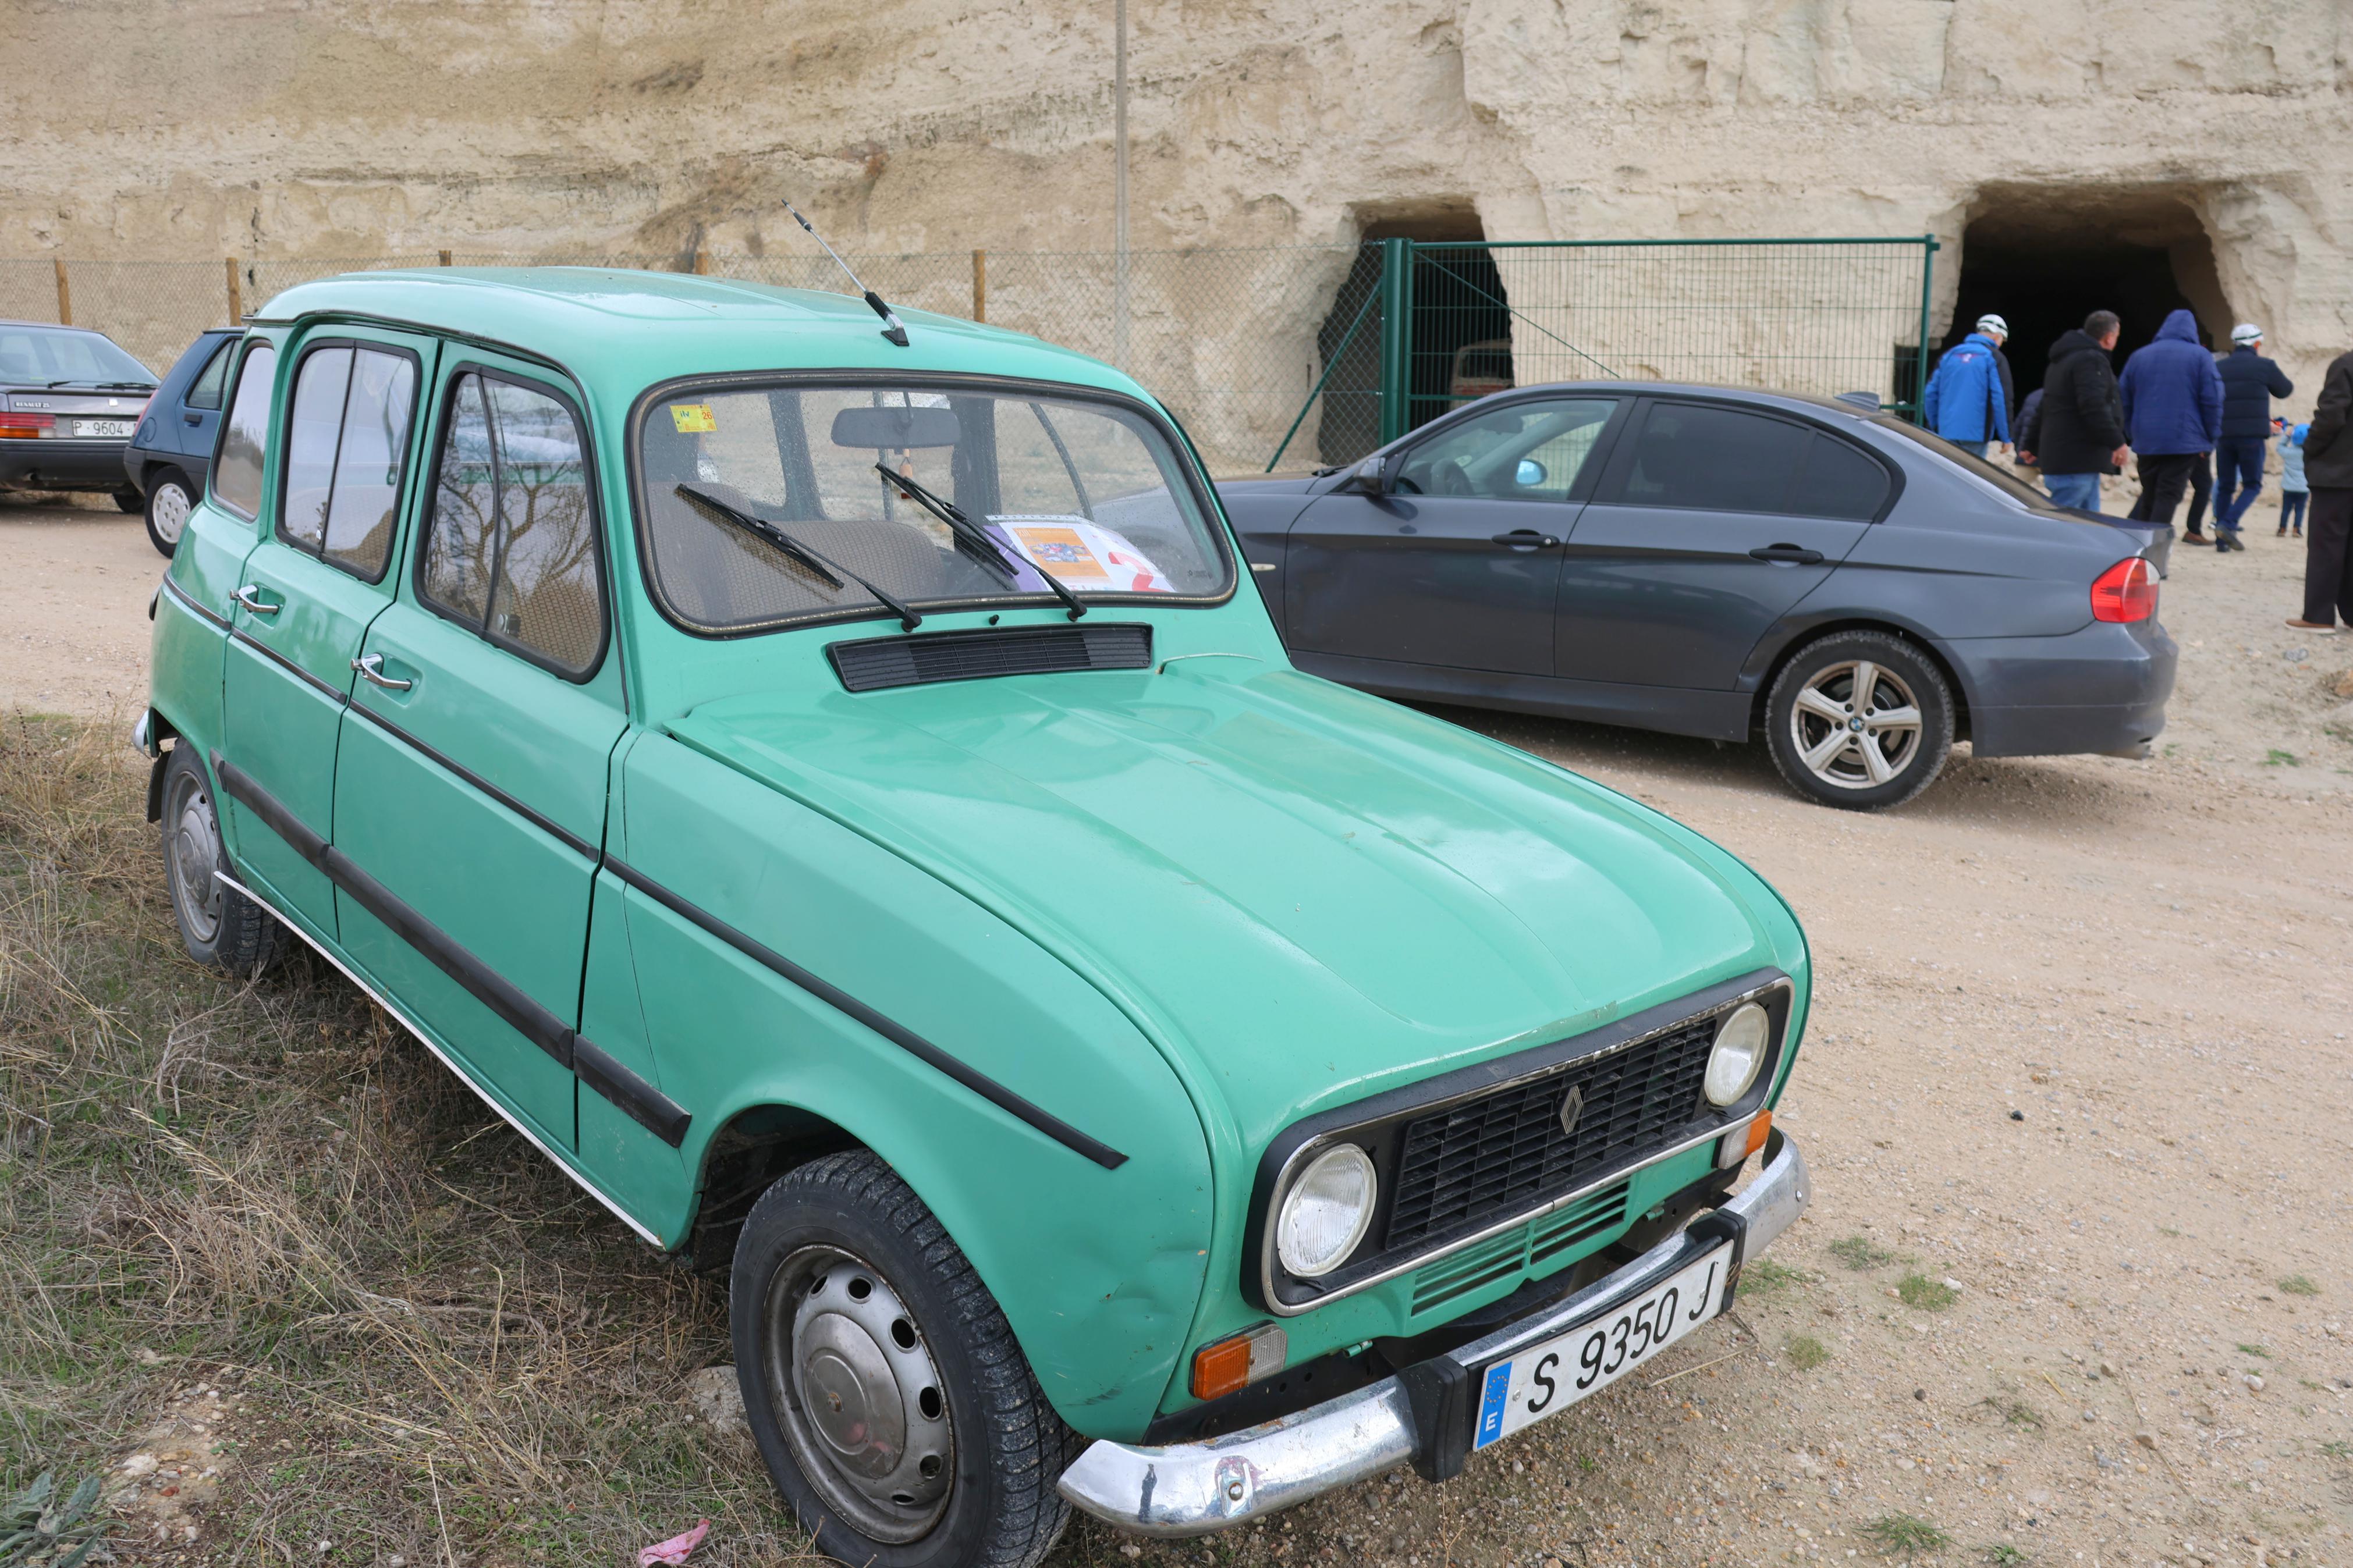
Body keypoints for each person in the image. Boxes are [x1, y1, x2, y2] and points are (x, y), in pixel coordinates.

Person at [2119, 308, 2225, 542]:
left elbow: (2123, 399)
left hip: (2146, 440)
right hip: (2184, 440)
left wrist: (2131, 432)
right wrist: (2210, 438)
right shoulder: (2200, 356)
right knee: (2168, 495)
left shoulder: (2139, 356)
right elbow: (2212, 400)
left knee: (2149, 494)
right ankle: (2153, 549)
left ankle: (2135, 546)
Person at [2019, 310, 2128, 513]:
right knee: (2064, 527)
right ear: (2109, 337)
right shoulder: (2091, 360)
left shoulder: (2062, 361)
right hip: (2076, 461)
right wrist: (2117, 442)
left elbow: (2046, 405)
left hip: (2074, 461)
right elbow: (2093, 406)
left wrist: (2030, 444)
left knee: (2090, 528)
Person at [2213, 322, 2295, 538]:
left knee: (2225, 486)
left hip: (2224, 436)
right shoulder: (2265, 366)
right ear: (2257, 344)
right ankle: (2228, 525)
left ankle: (2222, 541)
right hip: (2251, 436)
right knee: (2252, 485)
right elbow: (2285, 390)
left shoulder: (2219, 367)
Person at [2292, 346, 2353, 631]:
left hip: (2338, 471)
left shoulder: (2345, 365)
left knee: (2326, 544)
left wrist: (2311, 447)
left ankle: (2318, 616)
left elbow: (2331, 416)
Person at [1921, 314, 2012, 456]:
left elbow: (1930, 394)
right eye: (2002, 340)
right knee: (1971, 477)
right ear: (1996, 336)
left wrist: (1936, 425)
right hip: (1976, 435)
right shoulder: (1994, 357)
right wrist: (2006, 437)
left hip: (1946, 432)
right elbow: (2001, 398)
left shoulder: (1949, 355)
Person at [2277, 419, 2308, 539]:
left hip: (2288, 487)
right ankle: (2297, 529)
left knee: (2286, 509)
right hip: (2303, 488)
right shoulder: (2309, 454)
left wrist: (2287, 436)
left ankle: (2282, 529)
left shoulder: (2288, 452)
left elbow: (2280, 447)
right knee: (2300, 510)